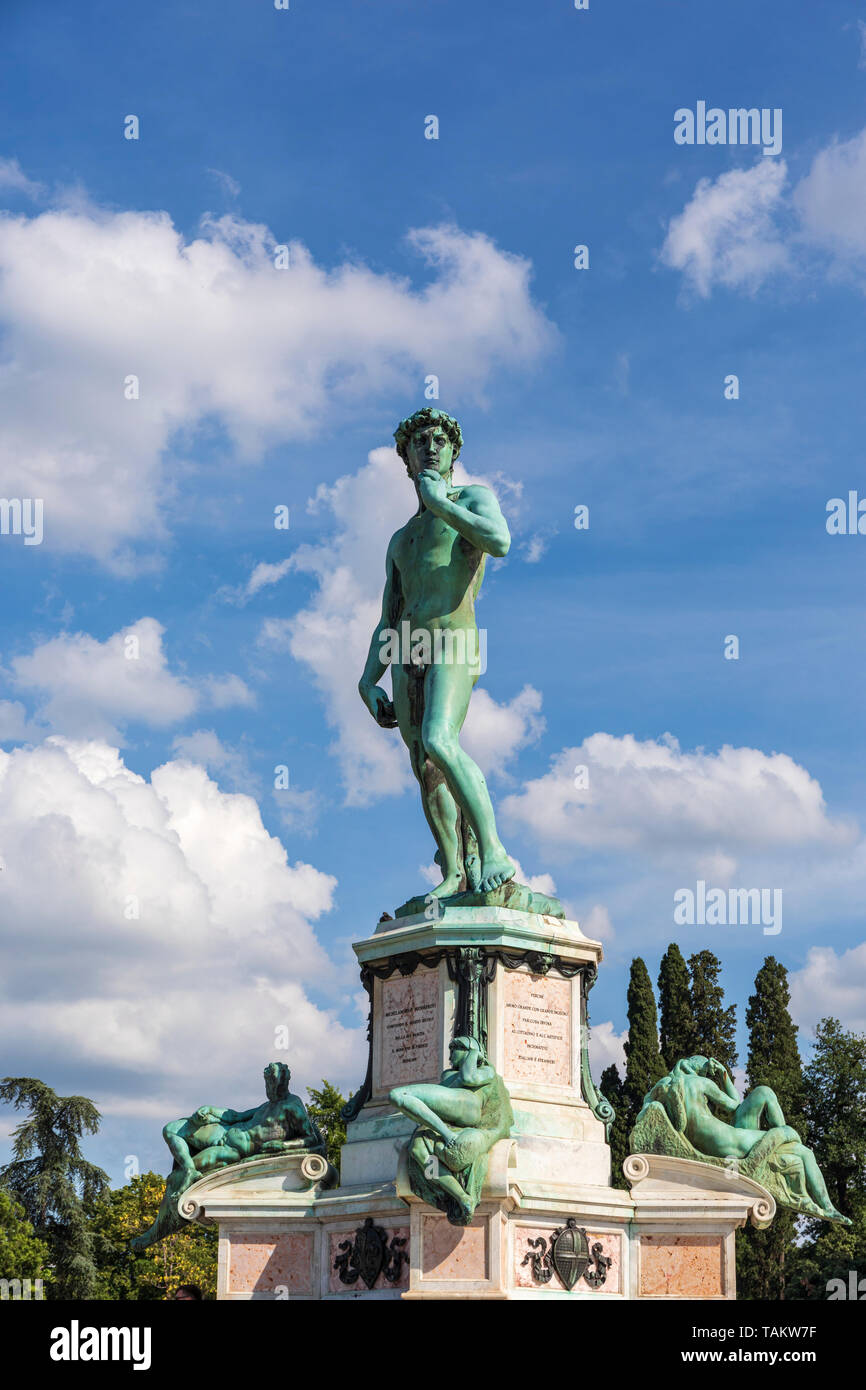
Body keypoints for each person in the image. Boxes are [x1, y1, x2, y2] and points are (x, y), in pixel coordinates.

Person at [359, 409, 515, 900]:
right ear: (405, 458)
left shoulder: (472, 499)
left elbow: (500, 541)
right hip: (408, 649)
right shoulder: (401, 539)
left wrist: (439, 504)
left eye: (440, 440)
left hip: (455, 639)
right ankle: (454, 870)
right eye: (420, 442)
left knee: (440, 739)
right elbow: (389, 616)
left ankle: (493, 852)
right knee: (424, 764)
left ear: (453, 451)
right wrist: (368, 680)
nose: (430, 447)